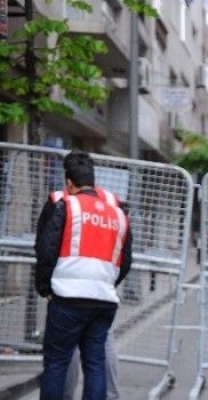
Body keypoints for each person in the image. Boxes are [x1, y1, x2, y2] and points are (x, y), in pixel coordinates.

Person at [35, 150, 132, 400]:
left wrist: (45, 288)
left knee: (57, 363)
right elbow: (126, 260)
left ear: (69, 182)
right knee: (95, 362)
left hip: (67, 299)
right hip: (104, 300)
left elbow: (46, 248)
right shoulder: (117, 212)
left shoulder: (65, 204)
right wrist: (107, 282)